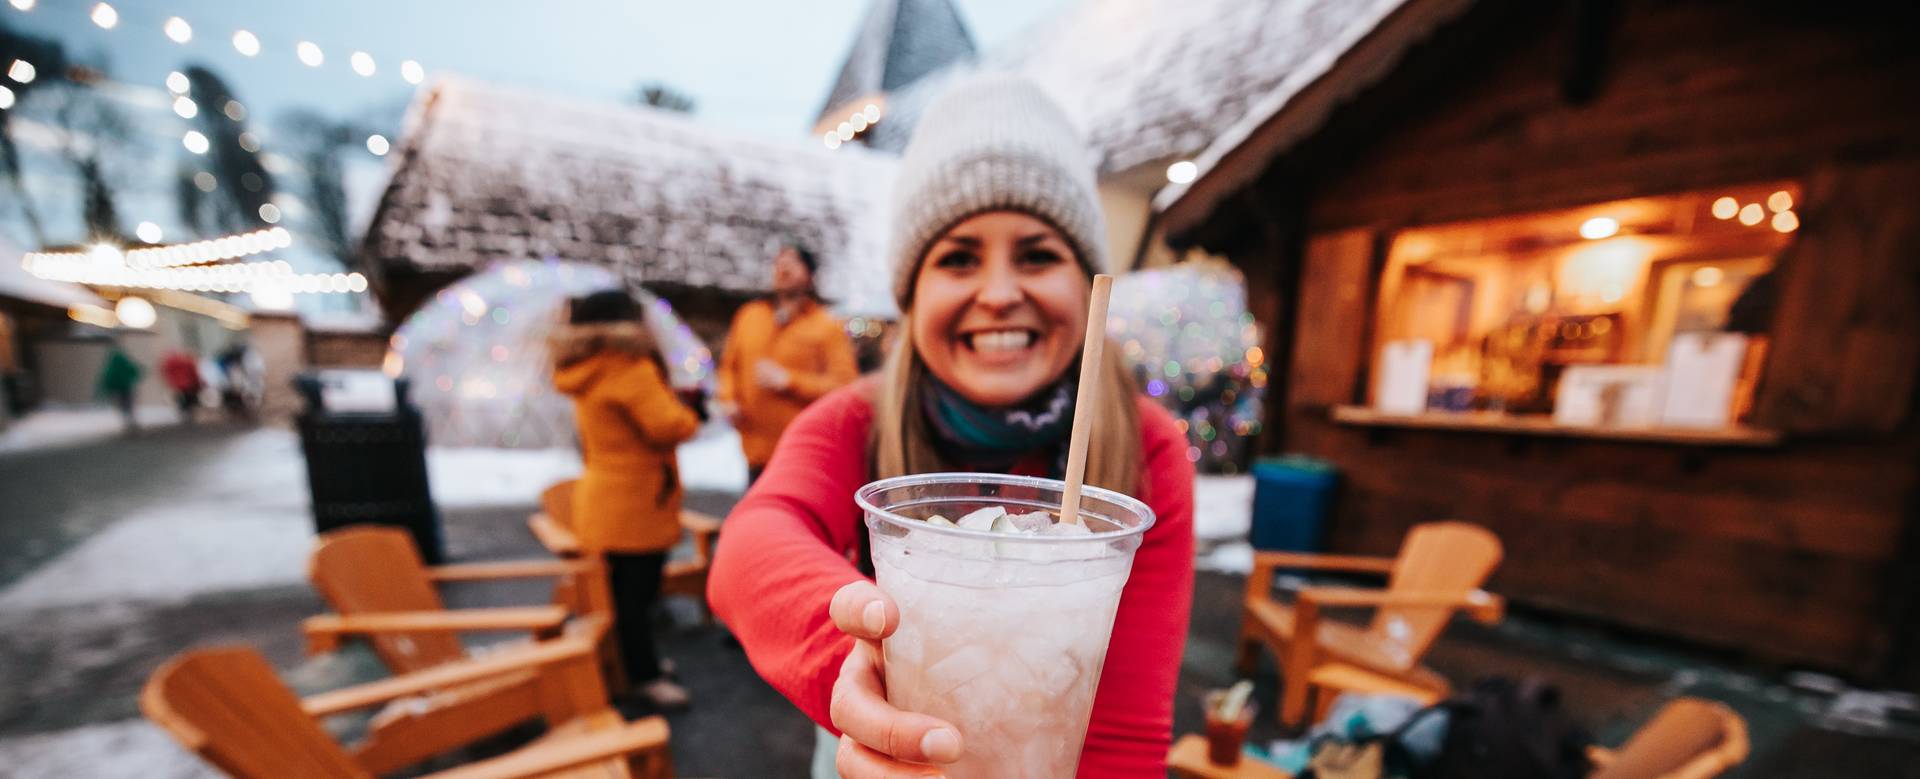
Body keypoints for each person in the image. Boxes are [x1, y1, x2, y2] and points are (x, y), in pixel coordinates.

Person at [708, 74, 1195, 778]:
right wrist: (850, 653)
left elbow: (1122, 731)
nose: (999, 294)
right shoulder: (855, 417)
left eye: (1037, 254)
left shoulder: (1145, 445)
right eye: (958, 258)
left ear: (1087, 285)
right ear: (912, 292)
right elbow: (751, 546)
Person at [551, 289, 704, 709]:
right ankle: (644, 677)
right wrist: (694, 413)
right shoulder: (628, 368)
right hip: (634, 503)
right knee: (637, 597)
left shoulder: (585, 368)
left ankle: (638, 667)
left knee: (625, 597)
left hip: (605, 497)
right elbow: (667, 426)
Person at [714, 242, 859, 483]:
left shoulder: (826, 326)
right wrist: (728, 399)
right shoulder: (749, 315)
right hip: (754, 449)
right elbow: (729, 366)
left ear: (809, 275)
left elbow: (845, 386)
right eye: (779, 262)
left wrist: (790, 380)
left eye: (793, 262)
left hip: (801, 453)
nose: (783, 268)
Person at [96, 339, 143, 434]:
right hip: (125, 387)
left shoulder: (111, 366)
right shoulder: (123, 363)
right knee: (128, 405)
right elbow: (134, 370)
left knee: (123, 406)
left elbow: (107, 378)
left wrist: (102, 391)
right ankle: (131, 422)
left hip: (118, 388)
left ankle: (128, 422)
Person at [161, 350, 204, 423]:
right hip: (189, 383)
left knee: (180, 399)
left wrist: (170, 382)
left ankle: (183, 412)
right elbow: (193, 373)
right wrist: (198, 383)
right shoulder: (187, 362)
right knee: (190, 399)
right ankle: (189, 413)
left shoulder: (169, 364)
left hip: (177, 384)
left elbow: (167, 374)